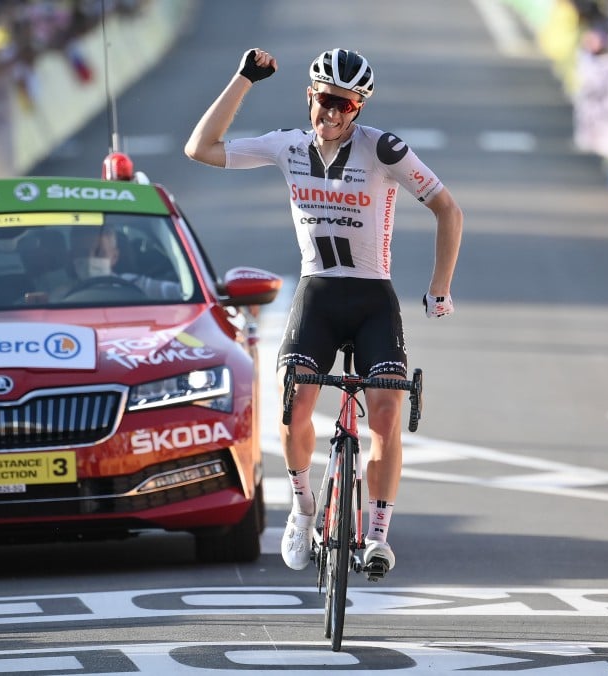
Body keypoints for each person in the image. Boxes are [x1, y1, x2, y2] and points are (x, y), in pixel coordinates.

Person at [184, 48, 463, 579]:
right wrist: (243, 79)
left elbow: (447, 209)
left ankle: (377, 534)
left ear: (358, 109)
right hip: (319, 295)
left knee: (385, 414)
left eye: (347, 105)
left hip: (372, 298)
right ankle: (304, 508)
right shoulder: (287, 146)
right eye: (327, 101)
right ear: (310, 96)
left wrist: (439, 288)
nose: (334, 114)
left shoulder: (382, 149)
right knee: (295, 401)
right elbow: (200, 148)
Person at [68, 226, 181, 299]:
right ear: (72, 256)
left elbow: (182, 294)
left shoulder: (137, 284)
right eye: (82, 253)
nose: (90, 259)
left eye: (99, 253)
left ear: (114, 257)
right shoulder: (60, 296)